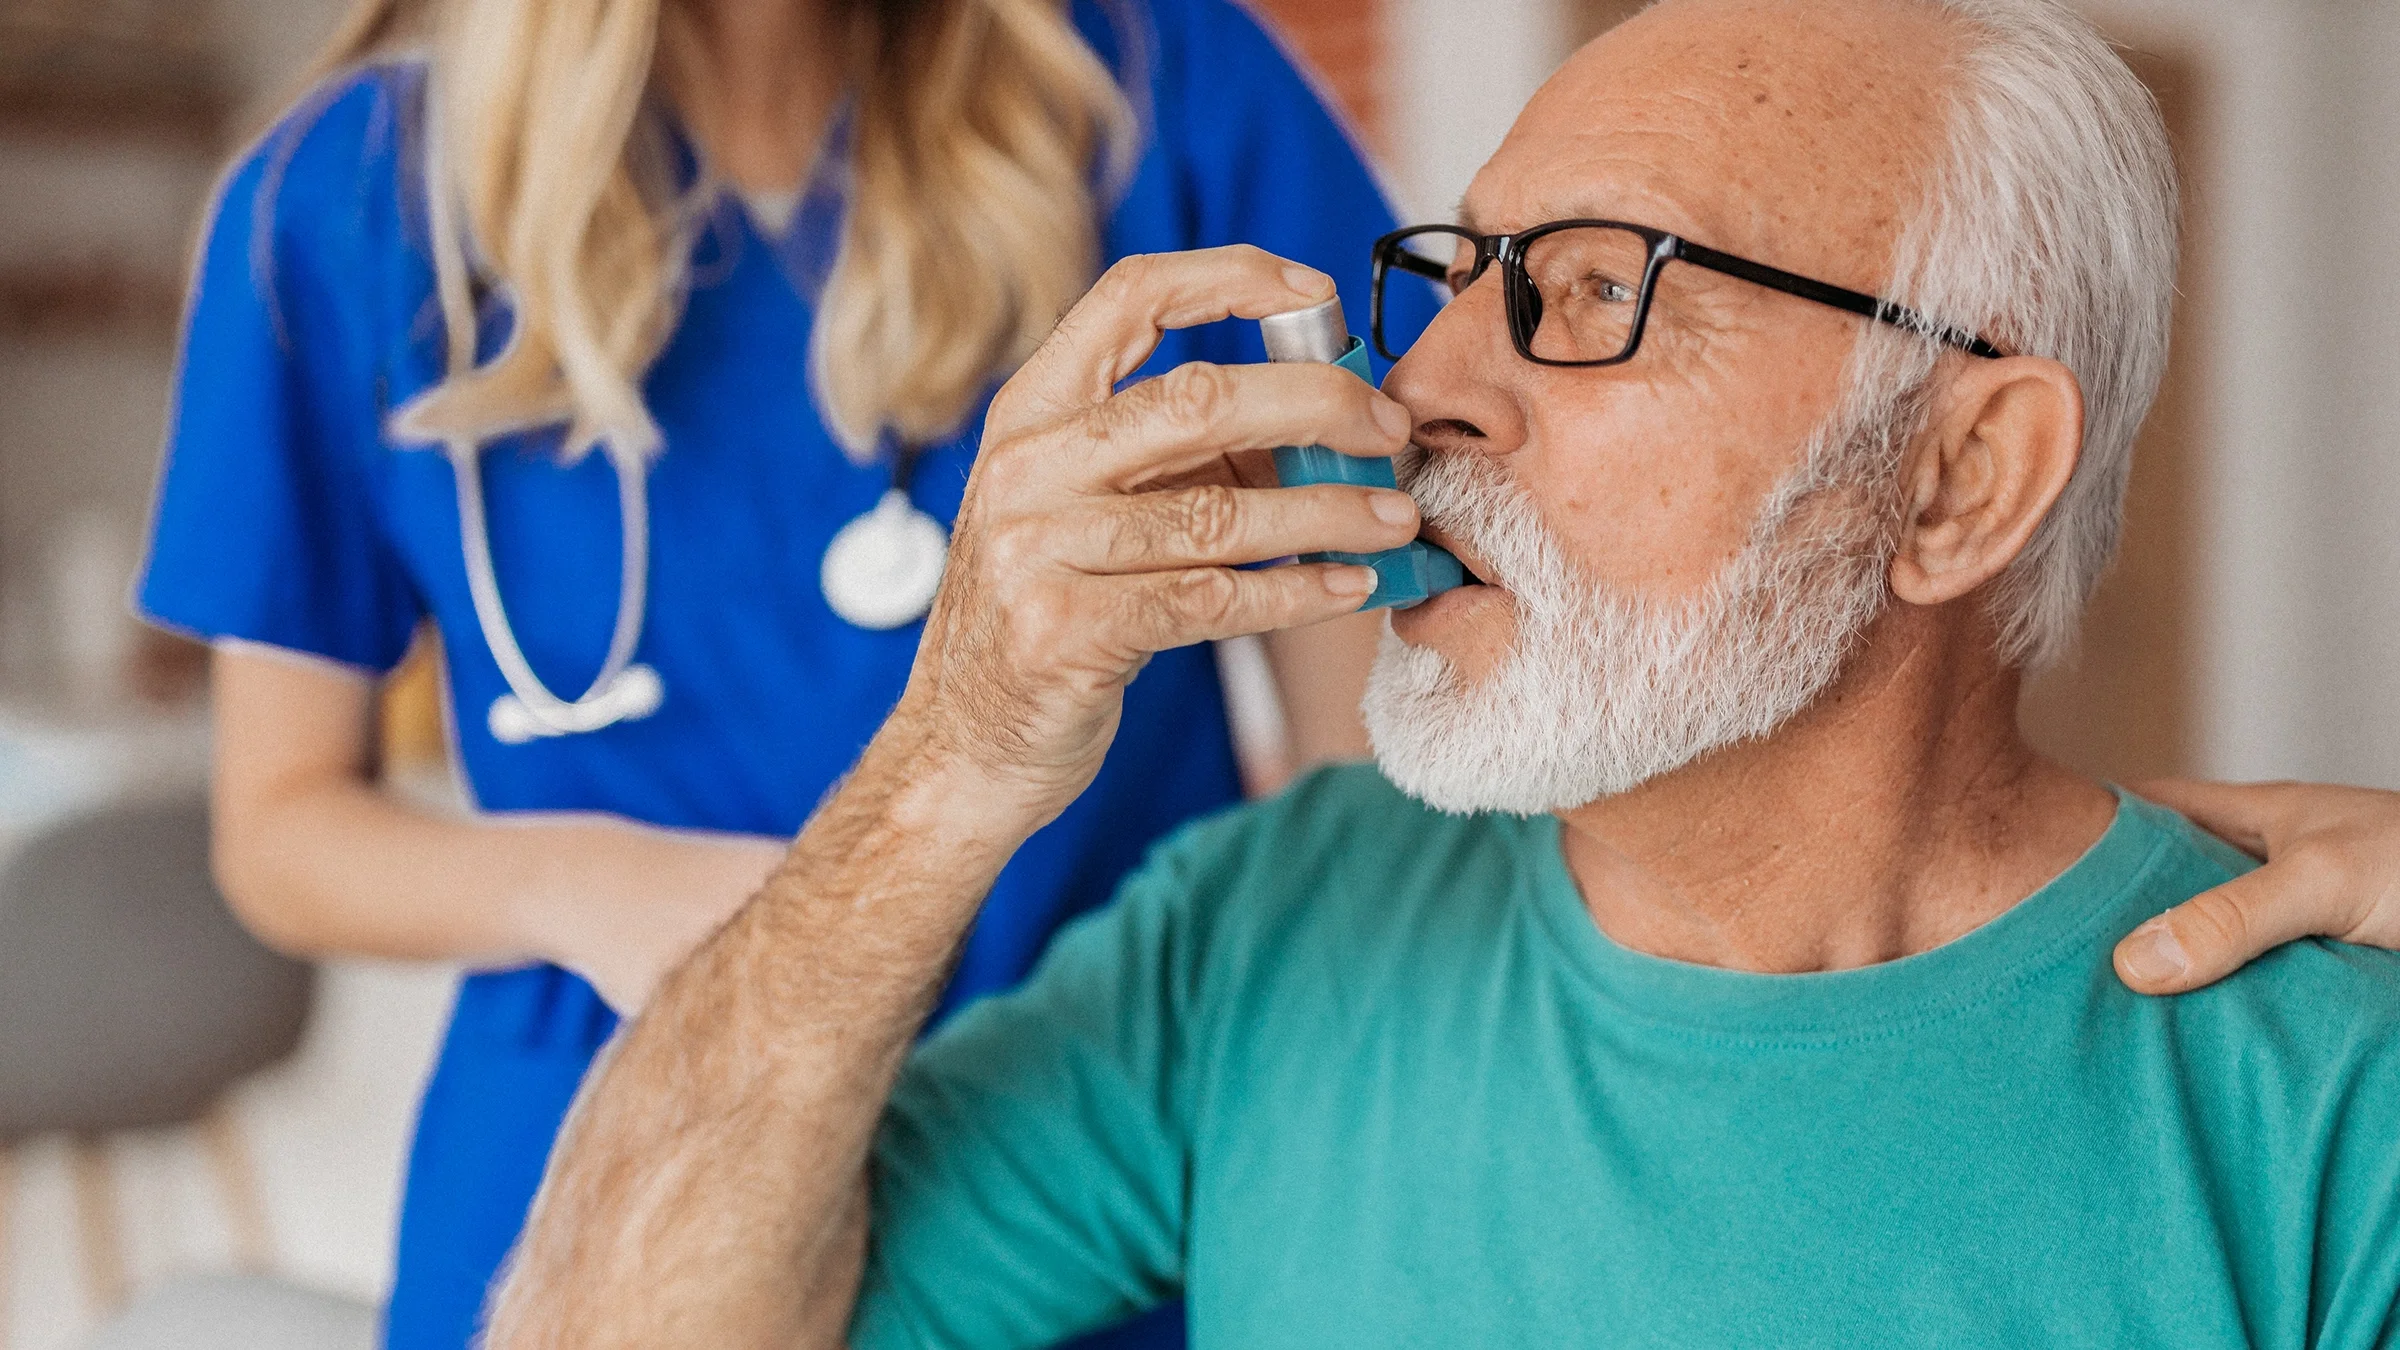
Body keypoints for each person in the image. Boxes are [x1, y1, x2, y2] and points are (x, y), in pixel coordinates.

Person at [486, 0, 2400, 1344]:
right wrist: (951, 751)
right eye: (1460, 277)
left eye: (1590, 290)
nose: (1423, 394)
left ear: (1961, 475)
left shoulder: (2332, 1099)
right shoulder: (1270, 926)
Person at [135, 0, 1420, 1344]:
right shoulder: (336, 210)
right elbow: (277, 829)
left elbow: (1373, 759)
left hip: (1105, 1139)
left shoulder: (1166, 89)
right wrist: (597, 885)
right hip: (618, 1150)